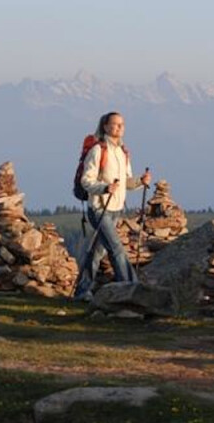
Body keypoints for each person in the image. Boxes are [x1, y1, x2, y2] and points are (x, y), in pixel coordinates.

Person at [74, 111, 151, 301]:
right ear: (105, 126)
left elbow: (125, 183)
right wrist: (105, 188)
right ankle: (131, 291)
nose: (119, 128)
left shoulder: (122, 152)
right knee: (116, 248)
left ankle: (83, 291)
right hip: (99, 208)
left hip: (116, 208)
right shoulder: (98, 150)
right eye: (115, 124)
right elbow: (86, 180)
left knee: (97, 252)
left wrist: (140, 181)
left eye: (122, 124)